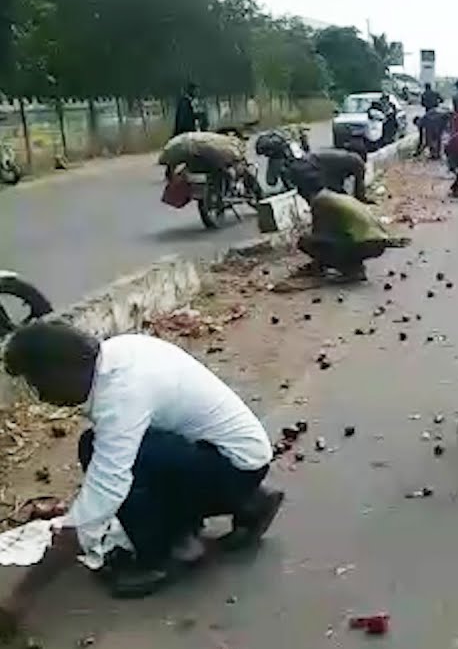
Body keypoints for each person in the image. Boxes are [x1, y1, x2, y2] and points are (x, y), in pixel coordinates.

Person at [0, 322, 283, 606]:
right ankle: (248, 503)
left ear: (60, 370)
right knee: (116, 449)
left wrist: (23, 594)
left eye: (39, 383)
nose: (41, 396)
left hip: (234, 468)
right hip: (238, 458)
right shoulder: (120, 352)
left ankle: (165, 555)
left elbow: (108, 487)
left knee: (112, 456)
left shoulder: (121, 394)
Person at [288, 160, 408, 283]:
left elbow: (320, 235)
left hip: (366, 243)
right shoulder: (332, 195)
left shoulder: (319, 202)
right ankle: (354, 266)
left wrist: (317, 264)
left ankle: (351, 270)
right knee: (335, 238)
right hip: (375, 240)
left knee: (306, 241)